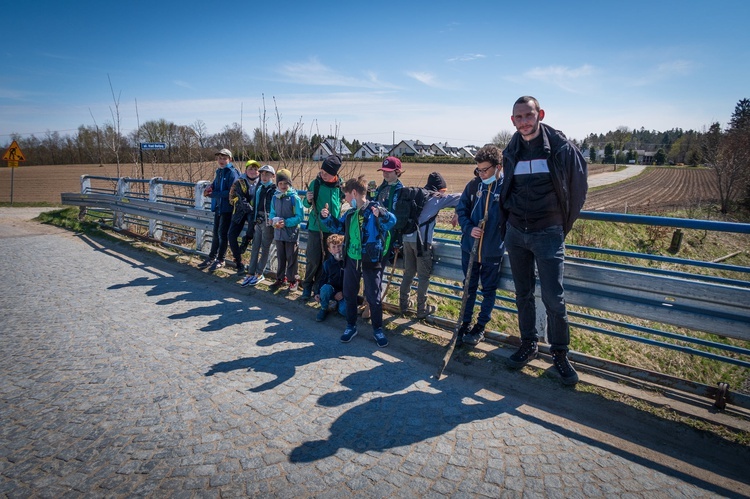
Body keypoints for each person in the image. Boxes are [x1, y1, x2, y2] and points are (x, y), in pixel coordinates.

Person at [500, 95, 588, 386]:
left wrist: (561, 227)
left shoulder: (562, 148)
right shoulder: (511, 149)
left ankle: (560, 354)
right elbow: (507, 189)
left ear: (540, 114)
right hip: (516, 233)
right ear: (513, 121)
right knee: (522, 293)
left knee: (553, 298)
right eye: (518, 117)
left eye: (528, 115)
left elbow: (578, 190)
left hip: (548, 233)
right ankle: (528, 344)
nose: (524, 122)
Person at [320, 177, 396, 347]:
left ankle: (377, 330)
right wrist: (325, 217)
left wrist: (382, 214)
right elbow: (338, 228)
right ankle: (351, 326)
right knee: (349, 293)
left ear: (354, 193)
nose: (345, 199)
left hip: (371, 259)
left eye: (346, 195)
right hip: (351, 259)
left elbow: (392, 222)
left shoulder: (375, 209)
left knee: (373, 297)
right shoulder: (350, 213)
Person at [454, 145, 506, 346]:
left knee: (488, 291)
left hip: (492, 251)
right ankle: (464, 323)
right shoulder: (474, 185)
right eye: (479, 170)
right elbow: (461, 210)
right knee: (469, 287)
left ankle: (480, 326)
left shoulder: (506, 188)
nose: (482, 174)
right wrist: (469, 229)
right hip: (469, 248)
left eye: (485, 170)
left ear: (498, 167)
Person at [399, 172, 460, 318]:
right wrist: (457, 213)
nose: (443, 193)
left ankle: (403, 305)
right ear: (439, 188)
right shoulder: (437, 198)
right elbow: (462, 197)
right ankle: (421, 310)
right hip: (422, 243)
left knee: (408, 274)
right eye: (443, 190)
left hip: (406, 240)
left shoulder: (416, 195)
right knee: (423, 277)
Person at [300, 155, 344, 301]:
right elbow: (306, 205)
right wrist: (307, 199)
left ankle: (317, 289)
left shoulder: (340, 186)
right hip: (315, 227)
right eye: (322, 171)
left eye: (326, 173)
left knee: (326, 261)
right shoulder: (316, 183)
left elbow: (342, 203)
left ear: (335, 174)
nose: (322, 174)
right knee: (313, 258)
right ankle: (307, 285)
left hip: (332, 229)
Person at [198, 148, 240, 271]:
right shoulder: (219, 172)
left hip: (228, 209)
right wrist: (209, 188)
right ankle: (211, 257)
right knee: (216, 233)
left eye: (224, 158)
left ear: (230, 159)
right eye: (220, 158)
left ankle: (220, 259)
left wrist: (214, 194)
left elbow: (232, 192)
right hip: (218, 207)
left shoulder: (232, 173)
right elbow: (215, 185)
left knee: (222, 234)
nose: (221, 160)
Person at [269, 169, 304, 292]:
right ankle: (280, 278)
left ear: (289, 184)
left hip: (291, 234)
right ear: (277, 184)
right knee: (280, 257)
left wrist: (286, 223)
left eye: (285, 183)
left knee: (291, 258)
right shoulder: (275, 198)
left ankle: (293, 280)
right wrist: (272, 220)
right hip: (278, 233)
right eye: (280, 183)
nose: (283, 186)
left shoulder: (294, 198)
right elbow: (272, 212)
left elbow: (300, 217)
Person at [242, 165, 277, 287]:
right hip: (258, 220)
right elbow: (255, 205)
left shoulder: (274, 190)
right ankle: (250, 272)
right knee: (255, 246)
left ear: (273, 176)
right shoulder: (259, 188)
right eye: (262, 174)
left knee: (265, 247)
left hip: (268, 222)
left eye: (267, 174)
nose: (265, 177)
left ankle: (259, 272)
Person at [227, 160, 260, 276]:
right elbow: (239, 198)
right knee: (231, 235)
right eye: (250, 169)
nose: (253, 171)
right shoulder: (239, 182)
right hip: (240, 211)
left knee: (252, 230)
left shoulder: (261, 183)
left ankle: (246, 240)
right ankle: (239, 262)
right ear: (246, 170)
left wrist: (253, 210)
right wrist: (249, 208)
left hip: (254, 212)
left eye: (255, 169)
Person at [314, 234, 346, 322]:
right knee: (325, 288)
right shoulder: (327, 263)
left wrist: (343, 293)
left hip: (345, 293)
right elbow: (323, 279)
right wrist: (317, 293)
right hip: (332, 290)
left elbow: (354, 282)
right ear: (329, 250)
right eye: (334, 247)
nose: (337, 249)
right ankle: (324, 308)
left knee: (344, 311)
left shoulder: (348, 263)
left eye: (339, 246)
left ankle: (336, 305)